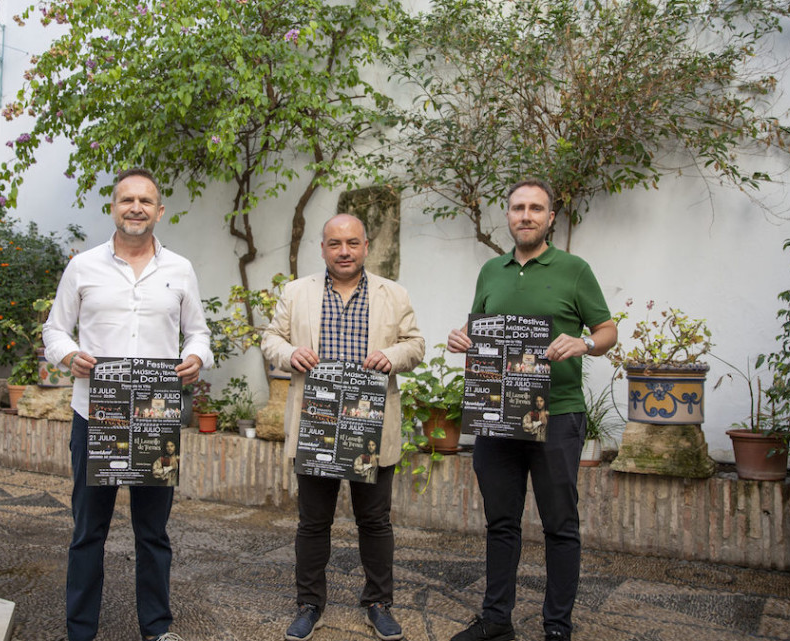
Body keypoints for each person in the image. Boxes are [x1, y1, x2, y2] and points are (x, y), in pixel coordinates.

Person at [43, 167, 212, 641]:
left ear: (160, 211)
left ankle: (157, 628)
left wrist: (196, 355)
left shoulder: (179, 269)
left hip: (155, 420)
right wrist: (69, 354)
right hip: (96, 416)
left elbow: (198, 330)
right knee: (87, 532)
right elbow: (55, 329)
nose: (135, 207)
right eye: (126, 200)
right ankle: (81, 631)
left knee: (153, 533)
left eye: (145, 200)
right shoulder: (83, 267)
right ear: (113, 208)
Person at [446, 179, 617, 641]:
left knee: (560, 525)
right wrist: (460, 336)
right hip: (497, 413)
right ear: (507, 215)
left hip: (557, 415)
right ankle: (496, 619)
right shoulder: (491, 271)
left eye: (535, 208)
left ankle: (557, 626)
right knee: (501, 522)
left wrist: (582, 342)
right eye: (518, 207)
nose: (526, 215)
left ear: (550, 217)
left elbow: (607, 331)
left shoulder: (574, 270)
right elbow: (479, 326)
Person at [262, 214, 425, 641]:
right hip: (317, 421)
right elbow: (270, 339)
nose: (344, 251)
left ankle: (378, 602)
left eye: (352, 243)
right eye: (335, 243)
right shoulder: (297, 293)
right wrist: (288, 352)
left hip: (370, 424)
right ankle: (309, 604)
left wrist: (393, 356)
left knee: (374, 521)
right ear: (323, 248)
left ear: (366, 246)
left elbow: (416, 343)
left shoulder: (394, 293)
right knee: (313, 522)